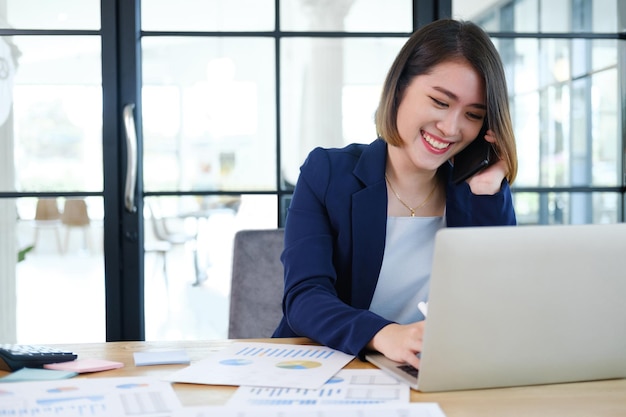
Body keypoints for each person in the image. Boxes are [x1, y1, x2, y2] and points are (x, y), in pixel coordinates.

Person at [272, 19, 518, 370]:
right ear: (399, 87)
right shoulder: (327, 173)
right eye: (439, 101)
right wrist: (385, 334)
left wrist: (489, 193)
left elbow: (497, 305)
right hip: (330, 368)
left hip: (429, 374)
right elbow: (304, 298)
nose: (451, 128)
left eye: (473, 115)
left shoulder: (476, 193)